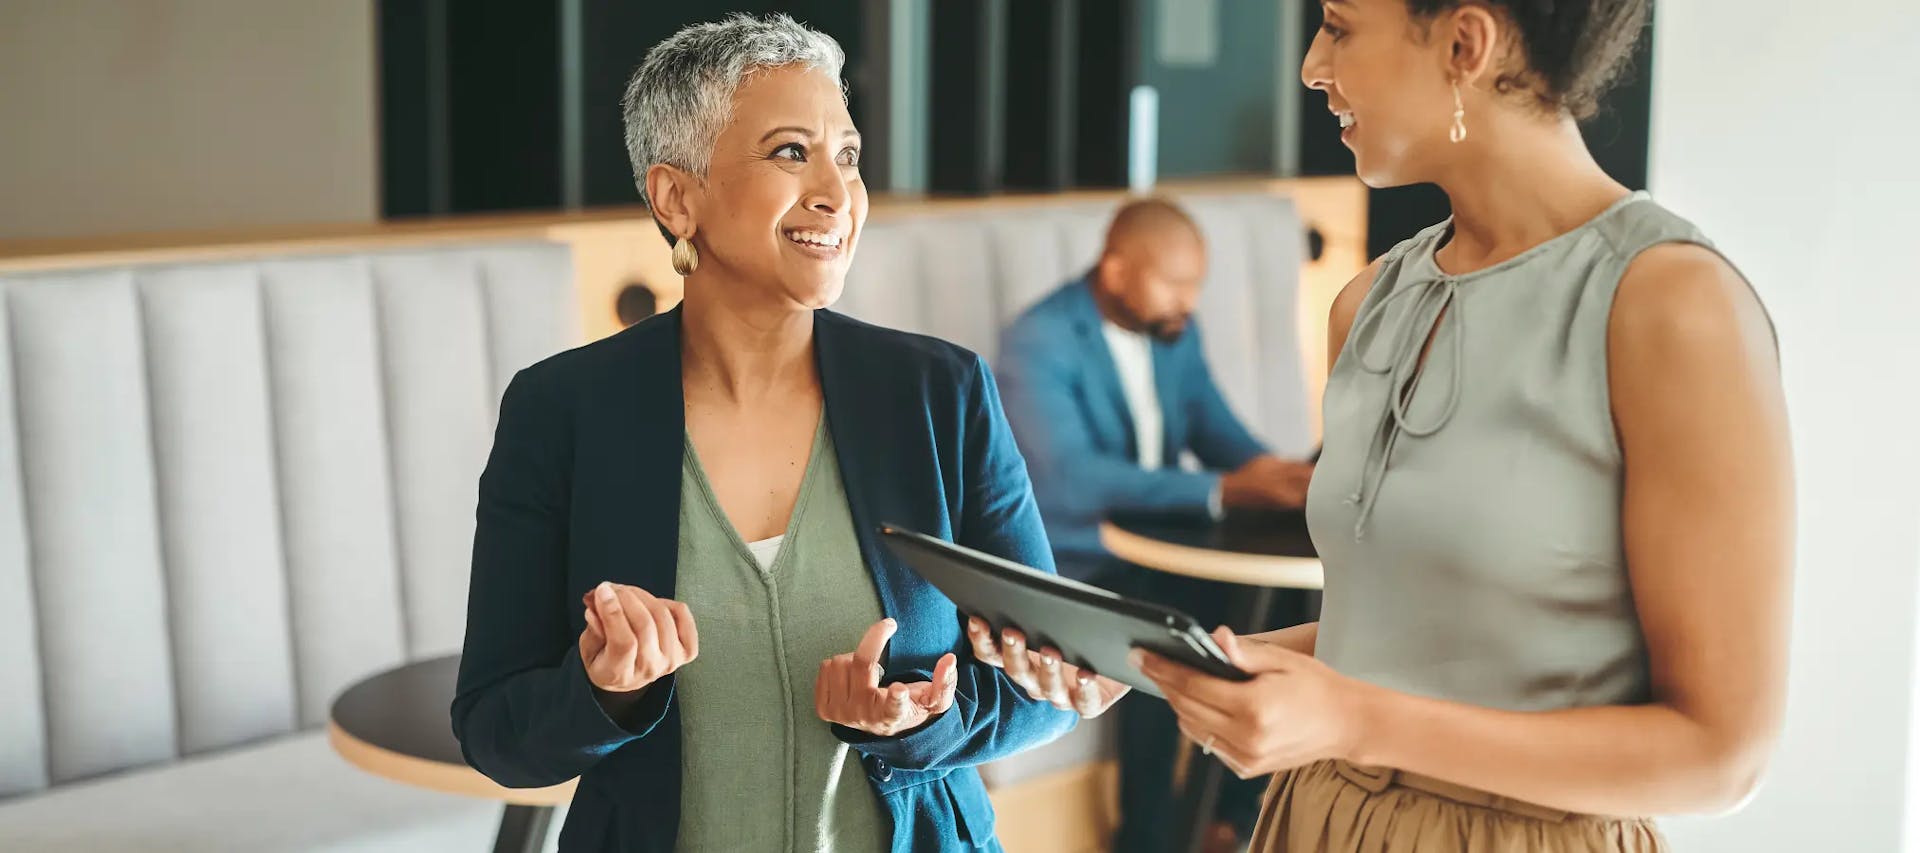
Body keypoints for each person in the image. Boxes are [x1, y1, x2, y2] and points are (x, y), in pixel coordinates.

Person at [976, 2, 1792, 851]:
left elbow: (1721, 754)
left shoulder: (1672, 306)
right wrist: (1148, 664)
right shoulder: (1367, 305)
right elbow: (1397, 628)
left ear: (1463, 45)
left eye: (1338, 25)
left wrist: (1354, 721)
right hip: (1315, 820)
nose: (1310, 67)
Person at [450, 15, 1074, 852]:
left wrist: (913, 722)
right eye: (791, 152)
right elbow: (495, 730)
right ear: (677, 197)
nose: (836, 193)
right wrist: (602, 690)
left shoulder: (941, 394)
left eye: (847, 156)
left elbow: (1048, 679)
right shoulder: (560, 409)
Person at [994, 198, 1315, 852]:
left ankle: (1234, 815)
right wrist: (1225, 489)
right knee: (1160, 627)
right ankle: (1145, 838)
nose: (1188, 301)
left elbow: (1212, 425)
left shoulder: (1174, 330)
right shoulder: (1040, 338)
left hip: (1166, 553)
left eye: (1196, 283)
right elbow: (1072, 478)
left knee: (1287, 602)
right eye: (1174, 283)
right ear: (1115, 272)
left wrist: (1278, 476)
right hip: (1080, 558)